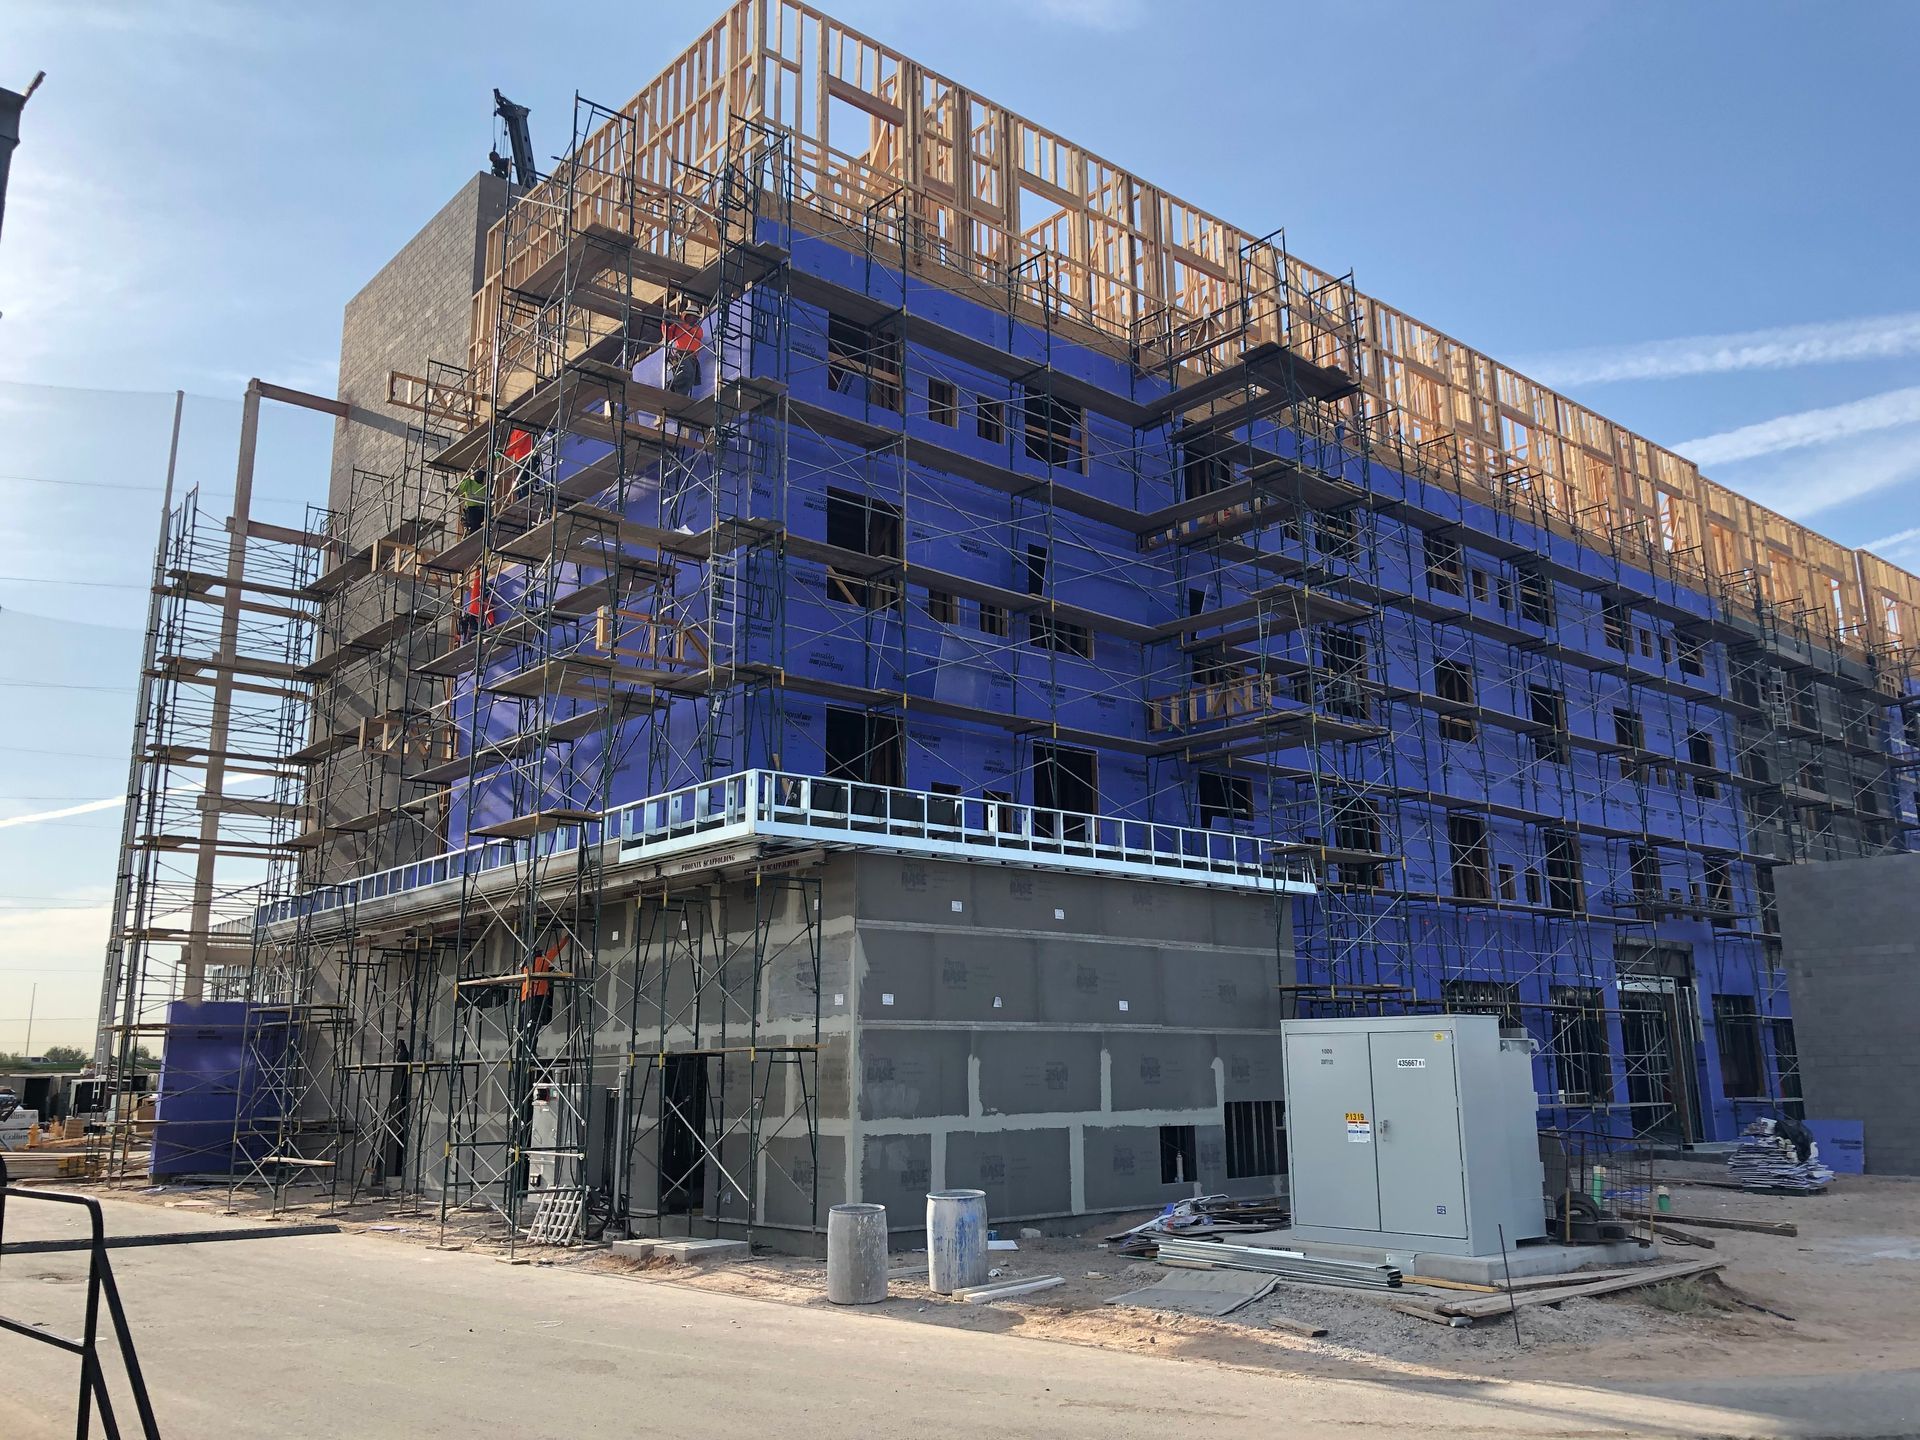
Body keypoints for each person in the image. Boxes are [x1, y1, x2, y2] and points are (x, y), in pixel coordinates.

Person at [520, 934, 567, 1048]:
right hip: (538, 995)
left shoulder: (524, 966)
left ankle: (524, 1048)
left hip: (525, 997)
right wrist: (566, 938)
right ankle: (531, 1048)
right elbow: (555, 950)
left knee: (526, 1024)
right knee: (536, 1023)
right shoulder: (543, 960)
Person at [664, 301, 703, 397]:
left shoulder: (697, 329)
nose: (694, 319)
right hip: (680, 354)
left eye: (695, 317)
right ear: (687, 316)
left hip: (692, 357)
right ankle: (672, 388)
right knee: (687, 372)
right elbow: (667, 335)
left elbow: (697, 334)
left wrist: (680, 323)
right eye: (692, 316)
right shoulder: (677, 326)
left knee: (690, 378)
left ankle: (679, 396)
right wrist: (665, 322)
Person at [458, 566, 495, 644]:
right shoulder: (476, 595)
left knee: (481, 631)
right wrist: (478, 571)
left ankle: (477, 644)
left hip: (480, 619)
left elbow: (489, 613)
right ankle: (469, 641)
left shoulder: (487, 601)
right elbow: (476, 583)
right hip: (473, 617)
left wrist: (491, 623)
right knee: (474, 630)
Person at [455, 467, 488, 536]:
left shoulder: (486, 485)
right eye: (479, 474)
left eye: (482, 475)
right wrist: (450, 490)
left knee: (482, 529)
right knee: (475, 528)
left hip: (482, 509)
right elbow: (458, 492)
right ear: (475, 474)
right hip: (472, 510)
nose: (480, 477)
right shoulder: (469, 482)